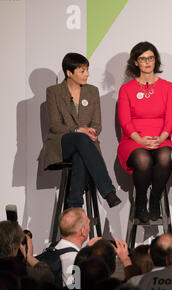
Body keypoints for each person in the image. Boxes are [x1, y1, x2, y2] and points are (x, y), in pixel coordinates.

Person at [43, 52, 121, 209]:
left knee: (81, 153)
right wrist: (78, 129)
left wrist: (91, 131)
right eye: (82, 71)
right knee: (80, 139)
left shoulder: (92, 91)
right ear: (69, 73)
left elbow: (97, 124)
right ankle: (108, 191)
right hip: (62, 143)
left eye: (87, 70)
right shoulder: (54, 92)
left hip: (85, 145)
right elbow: (55, 125)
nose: (87, 74)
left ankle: (74, 205)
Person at [117, 42, 172, 223]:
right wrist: (141, 140)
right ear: (136, 62)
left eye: (150, 58)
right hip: (134, 140)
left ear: (155, 60)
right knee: (143, 160)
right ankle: (141, 201)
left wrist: (161, 138)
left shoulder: (167, 87)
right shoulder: (126, 89)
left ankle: (155, 199)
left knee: (166, 156)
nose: (147, 62)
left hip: (161, 138)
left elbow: (171, 119)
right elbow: (125, 121)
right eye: (143, 59)